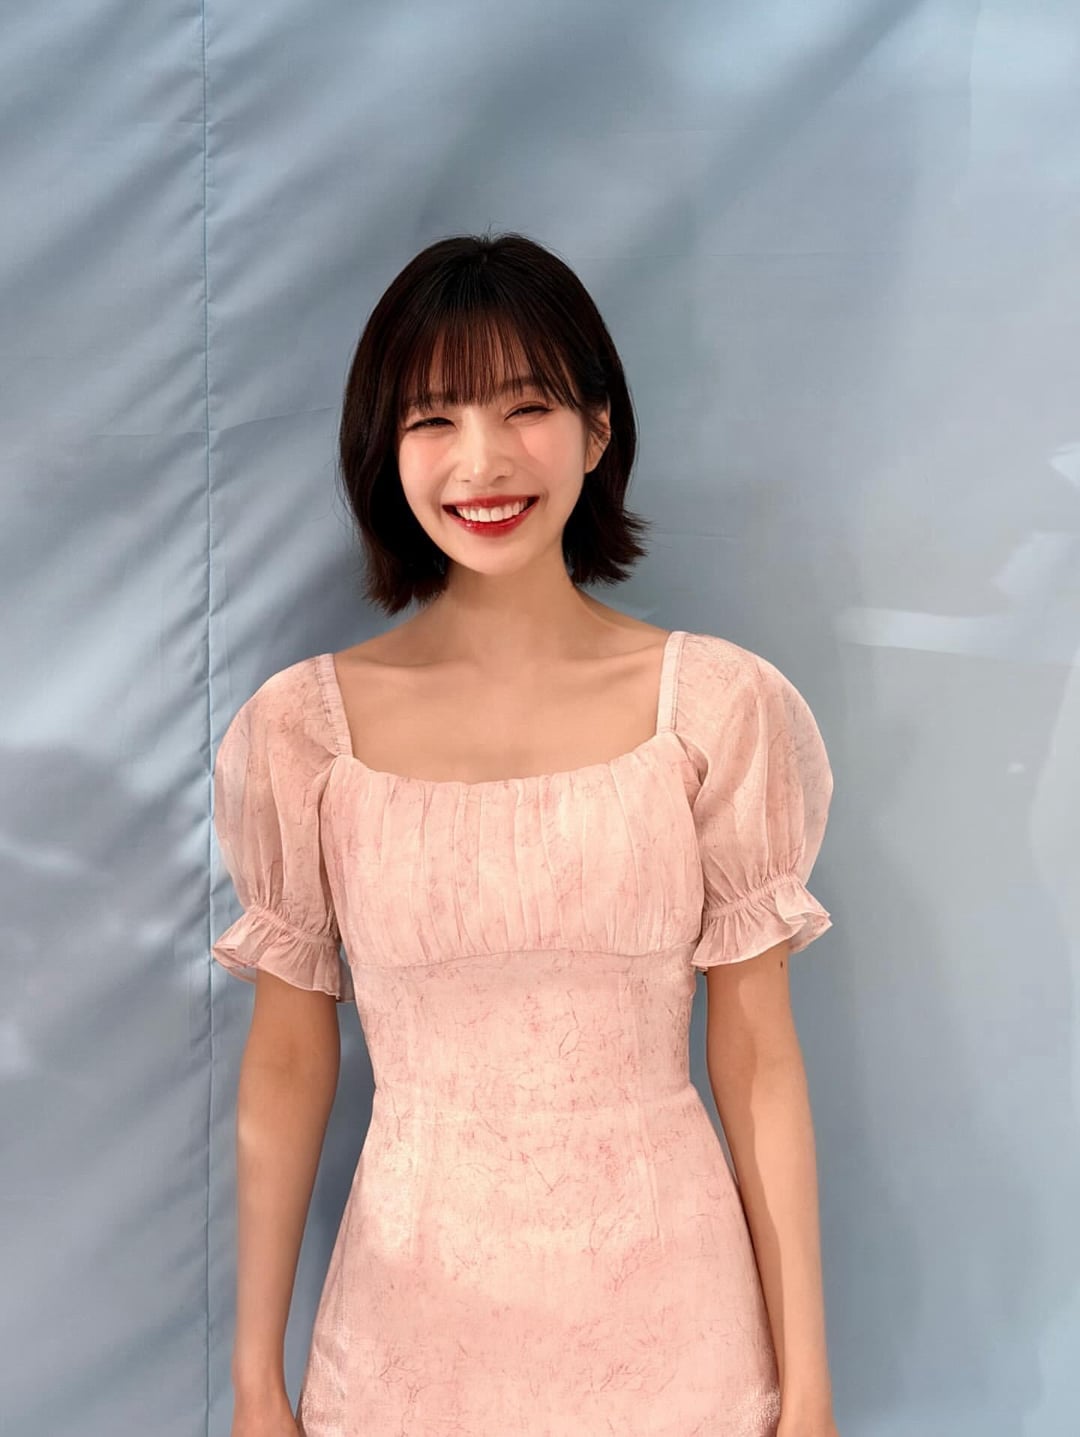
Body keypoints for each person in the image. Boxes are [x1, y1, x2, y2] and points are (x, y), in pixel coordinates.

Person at [211, 231, 839, 1437]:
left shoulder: (716, 709)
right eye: (432, 418)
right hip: (403, 1343)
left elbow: (759, 1056)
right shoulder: (302, 734)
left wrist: (808, 1390)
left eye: (527, 406)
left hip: (679, 1340)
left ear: (598, 431)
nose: (482, 460)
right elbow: (286, 1063)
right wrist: (255, 1385)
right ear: (383, 449)